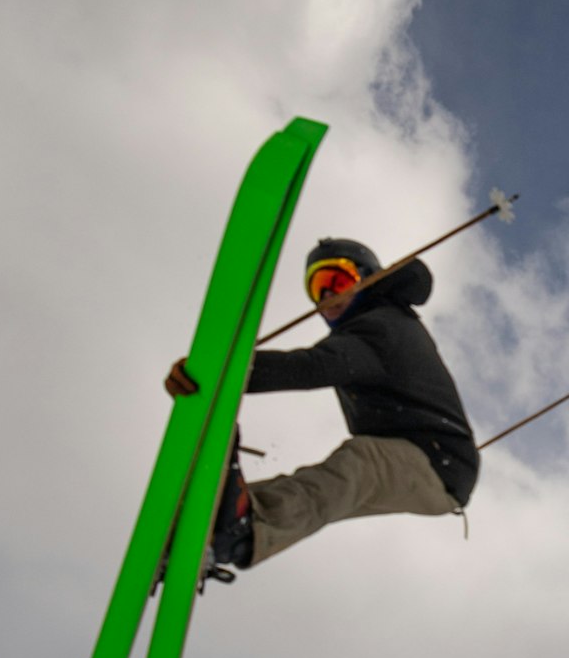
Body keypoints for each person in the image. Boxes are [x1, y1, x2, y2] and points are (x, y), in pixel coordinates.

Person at [164, 239, 479, 574]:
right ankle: (217, 519)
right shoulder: (363, 330)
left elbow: (311, 367)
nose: (327, 296)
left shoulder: (385, 325)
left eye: (337, 281)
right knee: (316, 485)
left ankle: (241, 530)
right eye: (317, 288)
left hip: (437, 459)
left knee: (359, 463)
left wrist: (222, 374)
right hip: (419, 459)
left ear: (366, 279)